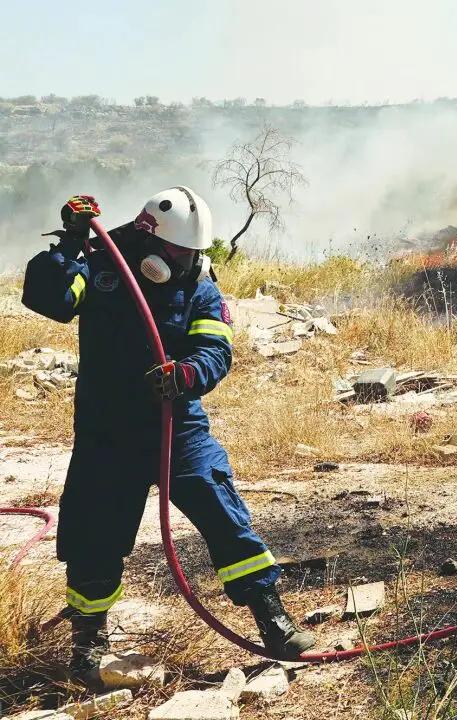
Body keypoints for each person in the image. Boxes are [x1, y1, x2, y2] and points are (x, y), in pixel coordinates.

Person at [21, 190, 316, 686]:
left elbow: (215, 349)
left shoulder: (200, 285)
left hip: (176, 428)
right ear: (148, 240)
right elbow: (49, 299)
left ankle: (273, 621)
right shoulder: (102, 266)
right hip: (107, 434)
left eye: (192, 252)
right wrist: (70, 244)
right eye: (178, 251)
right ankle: (88, 643)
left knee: (224, 515)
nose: (184, 261)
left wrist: (186, 374)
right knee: (94, 535)